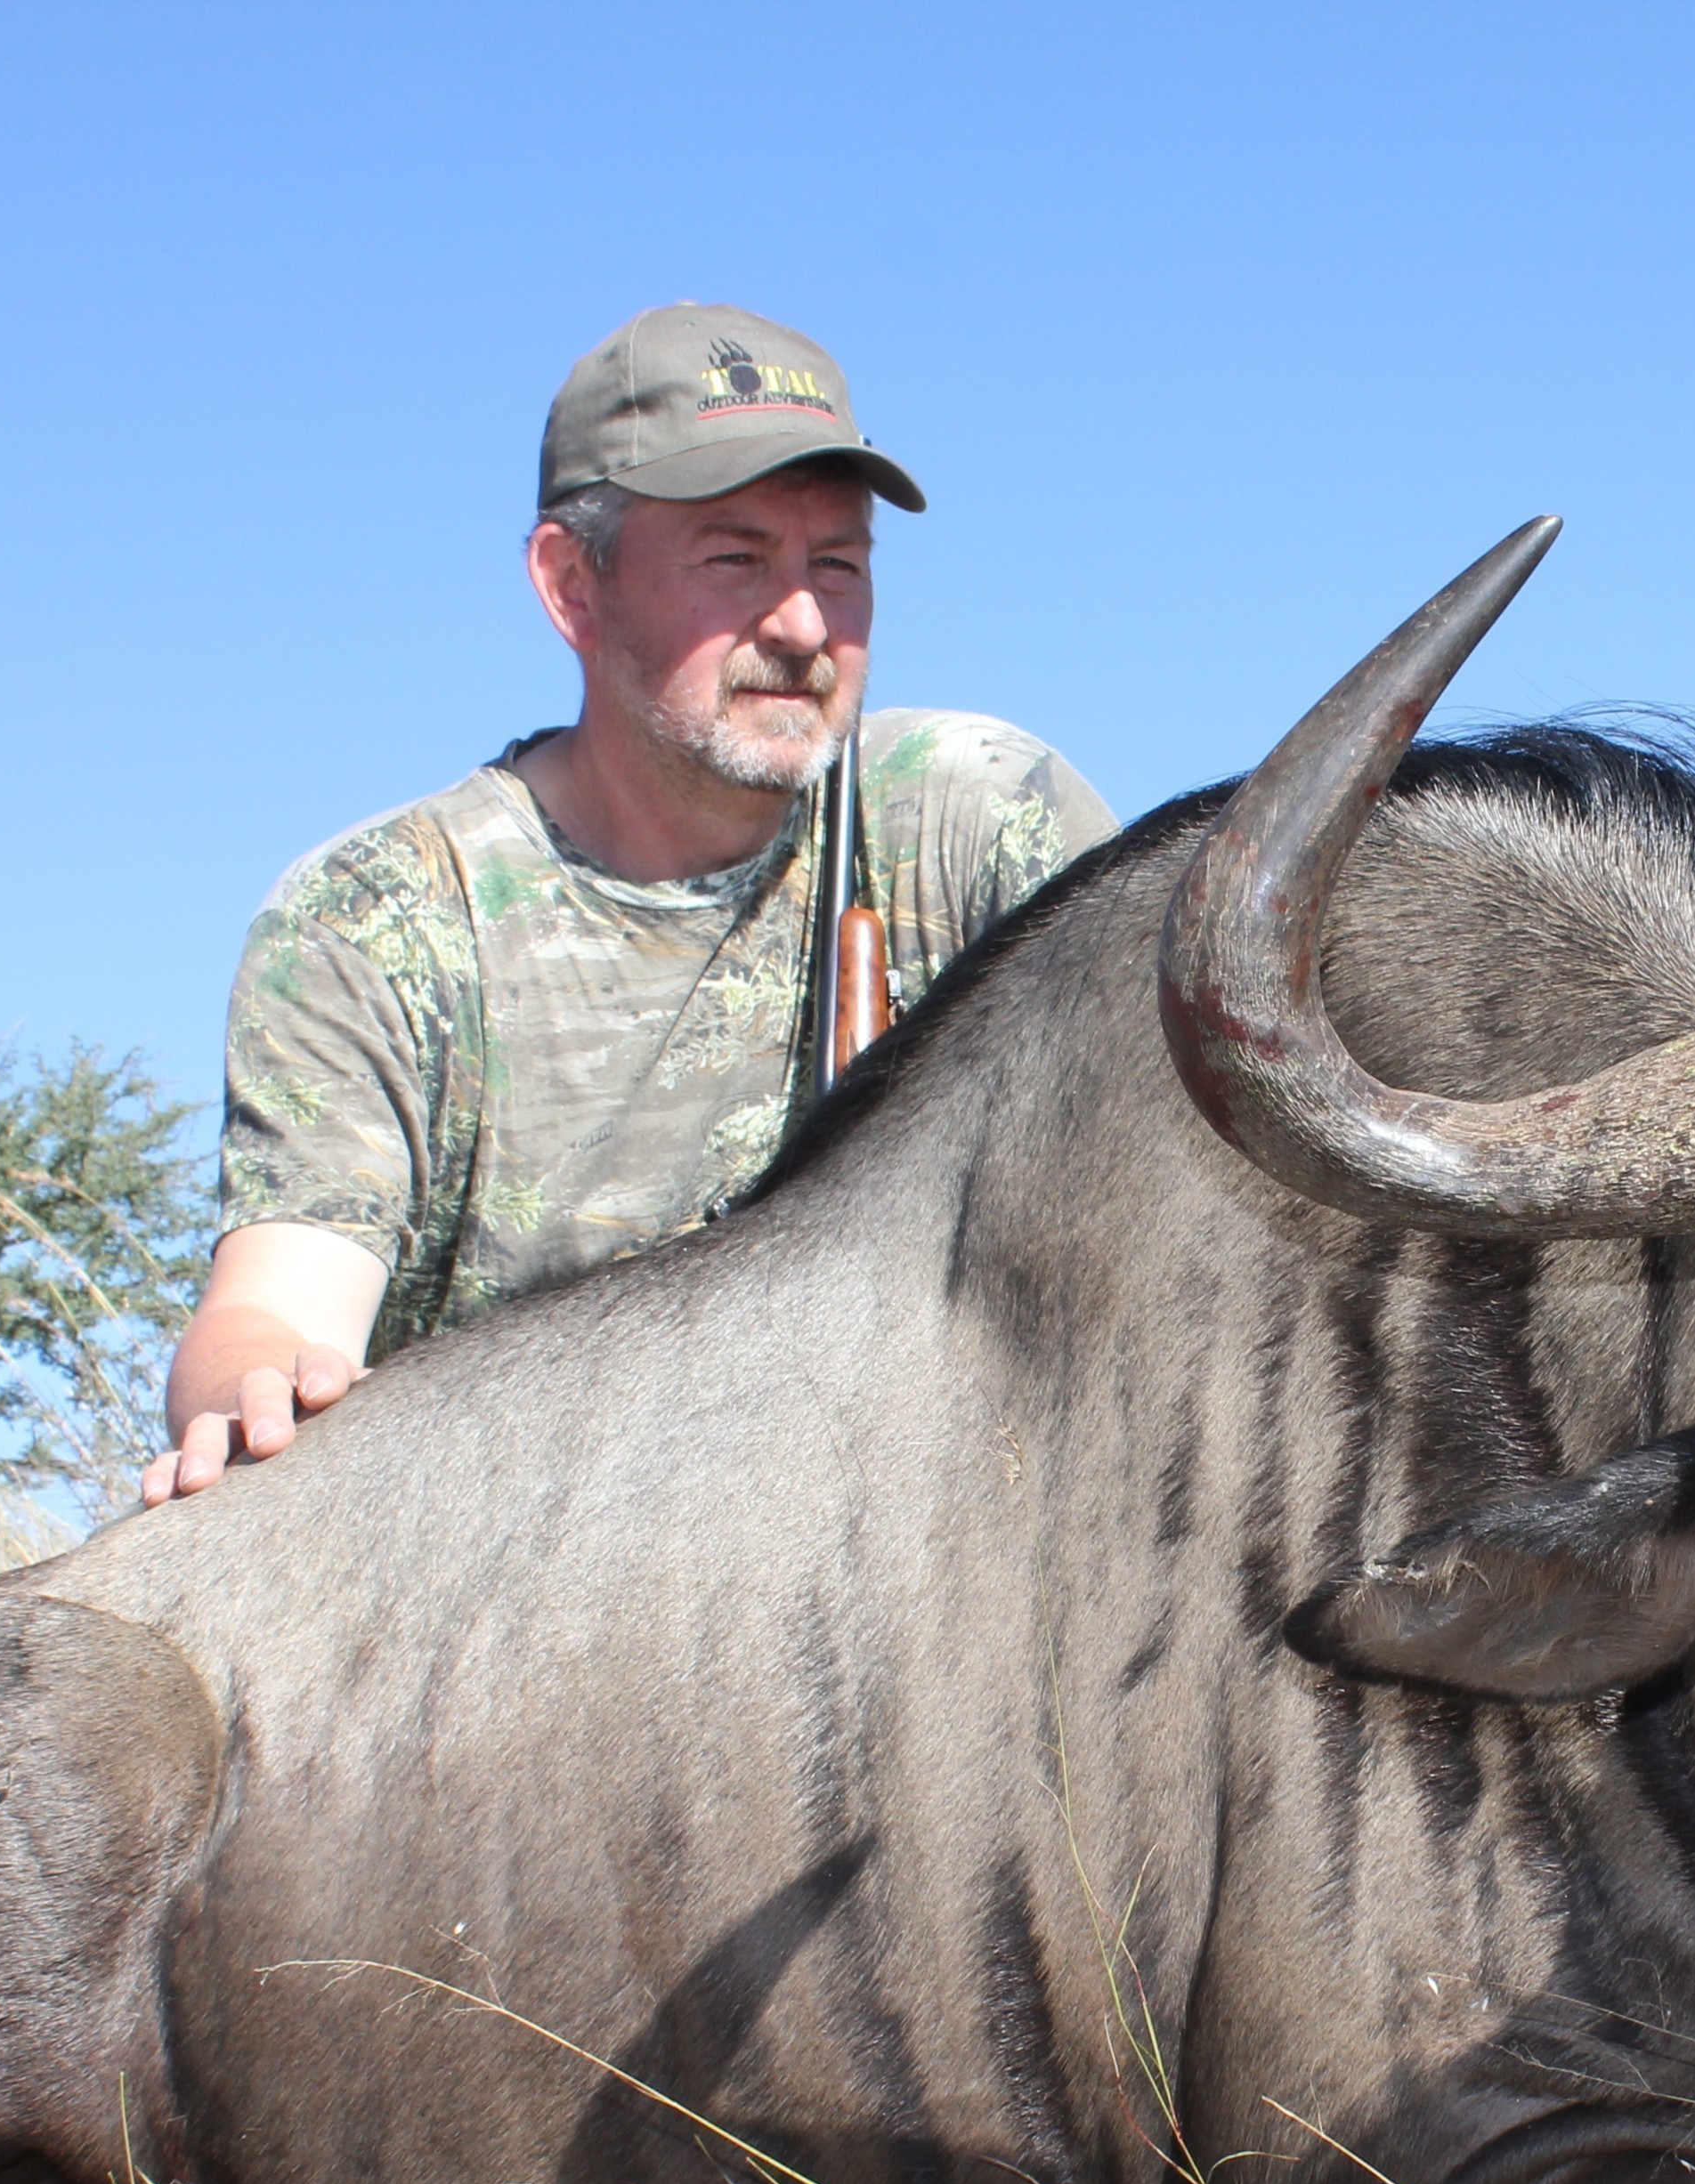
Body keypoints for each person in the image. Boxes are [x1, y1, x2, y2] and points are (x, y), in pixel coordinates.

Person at [144, 303, 1115, 1503]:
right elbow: (276, 1302)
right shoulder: (375, 915)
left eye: (840, 566)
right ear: (571, 585)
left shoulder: (977, 815)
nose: (805, 625)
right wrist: (261, 1393)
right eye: (735, 559)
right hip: (523, 1548)